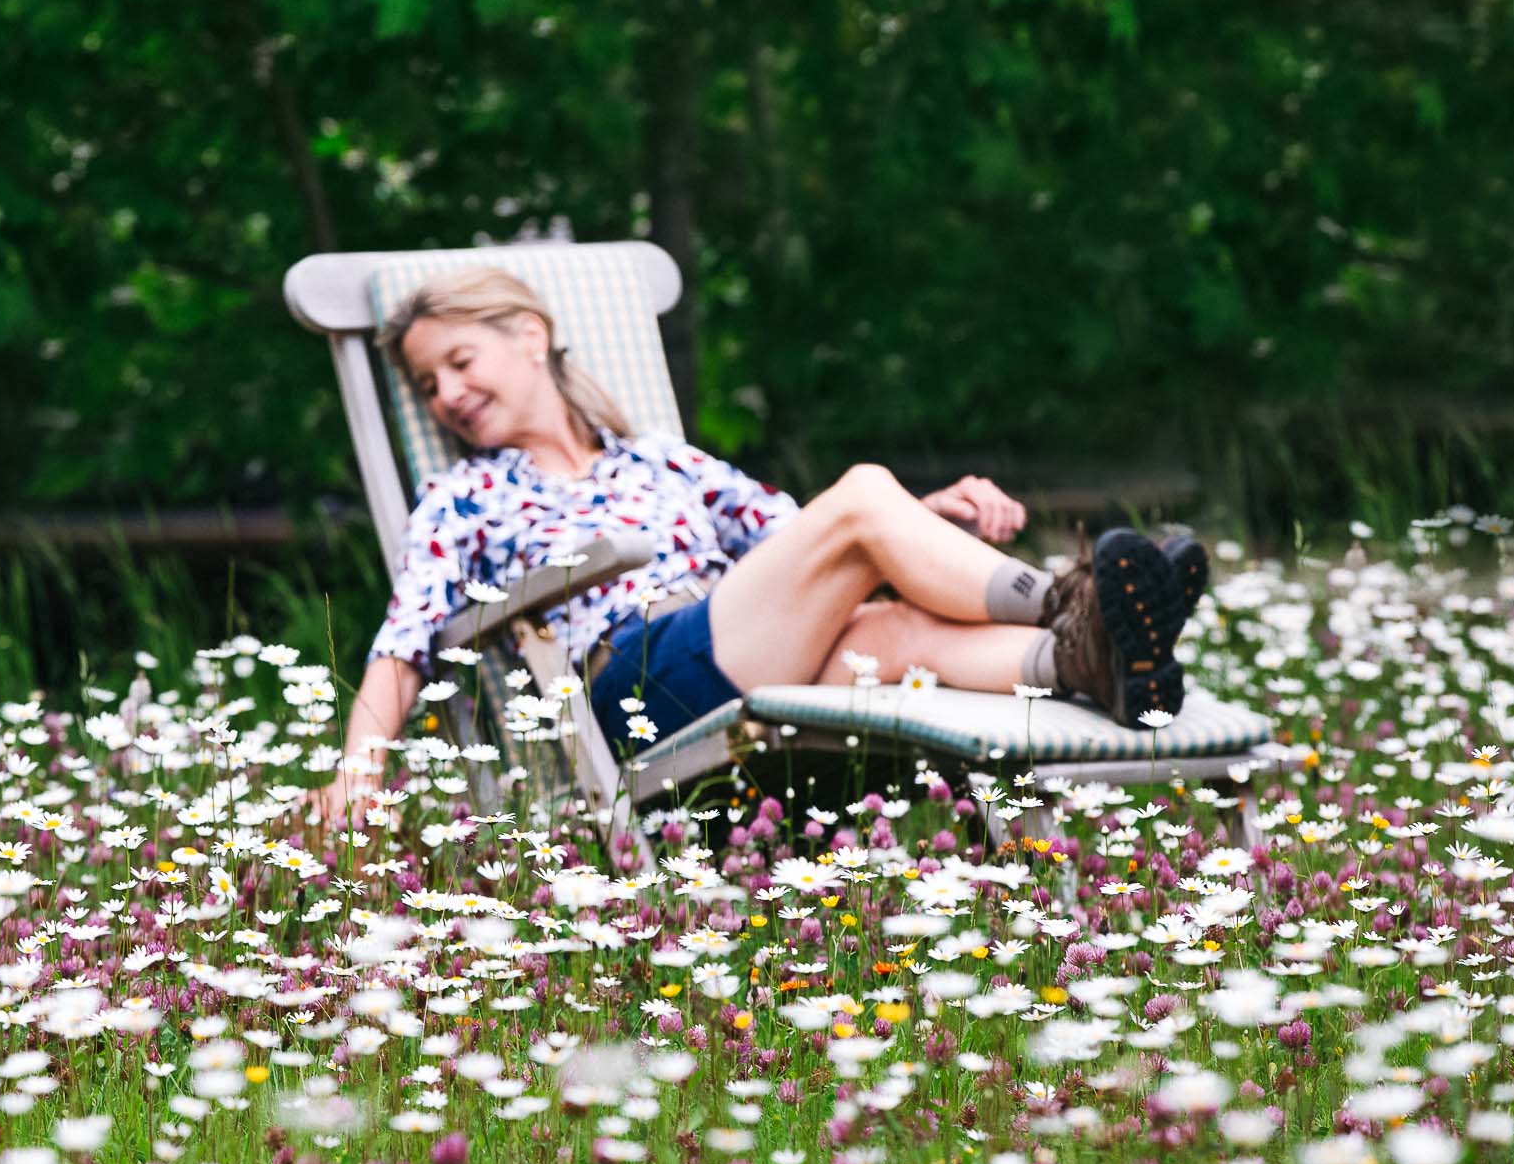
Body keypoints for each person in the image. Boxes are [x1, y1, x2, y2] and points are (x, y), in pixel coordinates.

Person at [306, 266, 1208, 825]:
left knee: (892, 633)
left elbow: (801, 545)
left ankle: (1097, 661)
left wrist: (930, 512)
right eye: (428, 385)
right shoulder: (462, 496)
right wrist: (357, 776)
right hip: (631, 684)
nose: (446, 396)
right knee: (860, 494)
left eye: (460, 362)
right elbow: (403, 643)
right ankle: (1073, 597)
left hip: (734, 642)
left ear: (530, 336)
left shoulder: (658, 460)